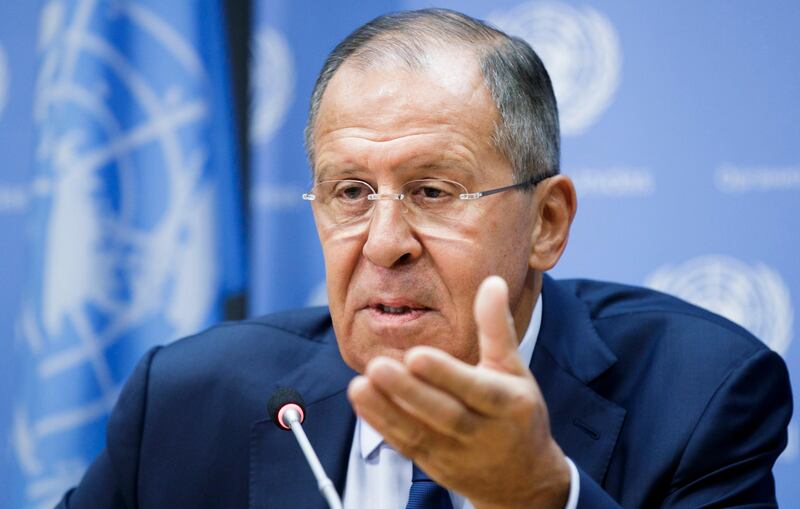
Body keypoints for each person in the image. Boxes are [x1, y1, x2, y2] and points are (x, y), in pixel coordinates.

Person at [58, 8, 792, 509]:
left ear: (547, 221)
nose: (383, 242)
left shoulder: (702, 395)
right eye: (350, 191)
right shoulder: (183, 402)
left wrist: (538, 496)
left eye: (433, 191)